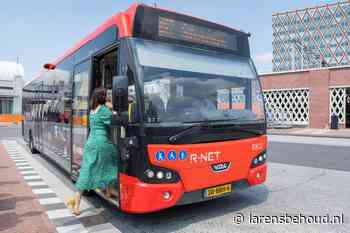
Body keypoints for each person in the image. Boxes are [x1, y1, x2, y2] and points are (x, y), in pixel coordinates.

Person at [66, 87, 118, 215]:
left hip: (90, 143)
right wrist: (113, 110)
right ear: (103, 97)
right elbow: (114, 122)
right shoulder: (104, 110)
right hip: (101, 143)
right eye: (106, 95)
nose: (107, 97)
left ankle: (76, 200)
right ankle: (109, 190)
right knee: (114, 162)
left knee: (87, 170)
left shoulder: (92, 111)